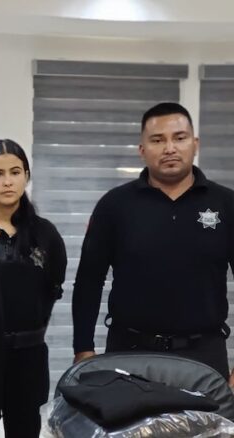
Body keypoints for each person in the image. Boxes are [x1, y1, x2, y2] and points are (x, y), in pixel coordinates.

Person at [72, 102, 234, 385]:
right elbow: (88, 281)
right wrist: (83, 349)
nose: (170, 148)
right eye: (158, 140)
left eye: (179, 138)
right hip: (129, 352)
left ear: (195, 144)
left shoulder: (226, 204)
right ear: (142, 149)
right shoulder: (114, 205)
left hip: (204, 354)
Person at [0, 139, 67, 437]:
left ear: (26, 175)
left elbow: (53, 288)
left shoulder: (46, 235)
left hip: (28, 355)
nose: (7, 181)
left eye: (15, 172)